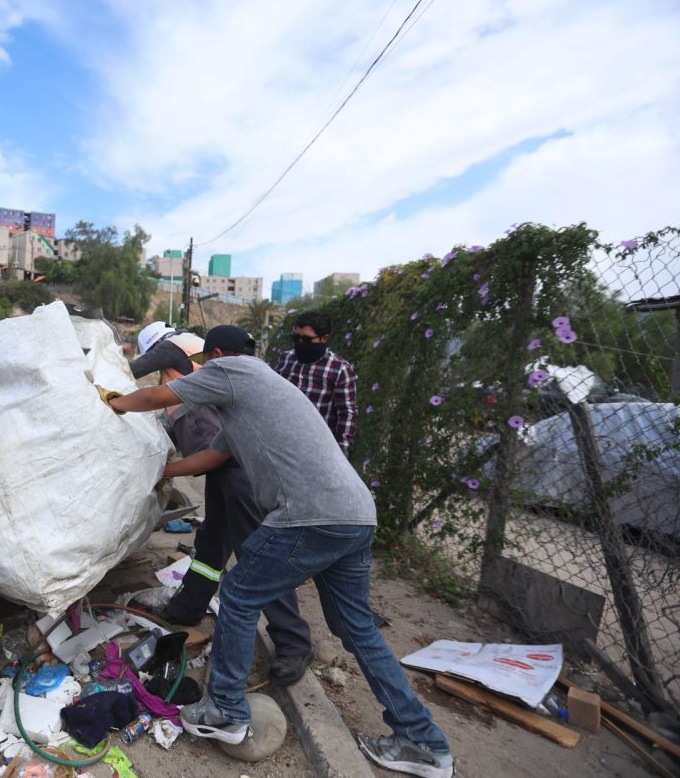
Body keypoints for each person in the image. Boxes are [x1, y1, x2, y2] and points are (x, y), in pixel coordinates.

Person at [105, 325, 453, 778]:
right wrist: (162, 472)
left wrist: (109, 402)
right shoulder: (260, 395)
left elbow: (156, 398)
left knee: (240, 595)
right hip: (354, 516)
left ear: (213, 356)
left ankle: (225, 712)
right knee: (358, 630)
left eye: (204, 364)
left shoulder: (231, 370)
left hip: (308, 516)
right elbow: (211, 457)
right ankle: (425, 744)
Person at [131, 322, 314, 686]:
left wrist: (110, 385)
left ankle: (294, 642)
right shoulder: (191, 364)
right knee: (212, 542)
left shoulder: (176, 348)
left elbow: (149, 371)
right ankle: (189, 606)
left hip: (238, 467)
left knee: (257, 555)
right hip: (221, 466)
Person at [274, 309, 357, 455]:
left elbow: (346, 412)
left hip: (316, 449)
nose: (300, 343)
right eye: (296, 338)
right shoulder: (286, 359)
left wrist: (341, 452)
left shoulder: (339, 369)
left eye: (306, 339)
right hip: (280, 442)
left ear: (324, 338)